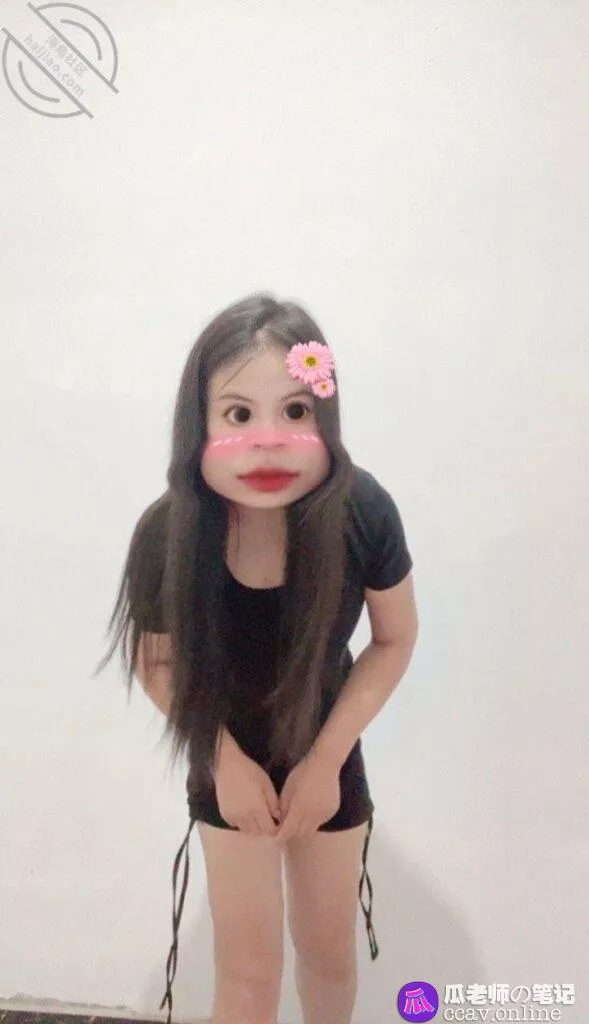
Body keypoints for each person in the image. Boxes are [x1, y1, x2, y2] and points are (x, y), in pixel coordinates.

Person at [95, 292, 419, 1024]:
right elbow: (157, 663)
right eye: (239, 414)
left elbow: (394, 637)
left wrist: (325, 761)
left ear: (325, 417)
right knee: (246, 971)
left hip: (327, 749)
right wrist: (222, 762)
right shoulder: (169, 532)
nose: (268, 441)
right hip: (224, 750)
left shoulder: (362, 512)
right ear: (200, 422)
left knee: (328, 958)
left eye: (295, 411)